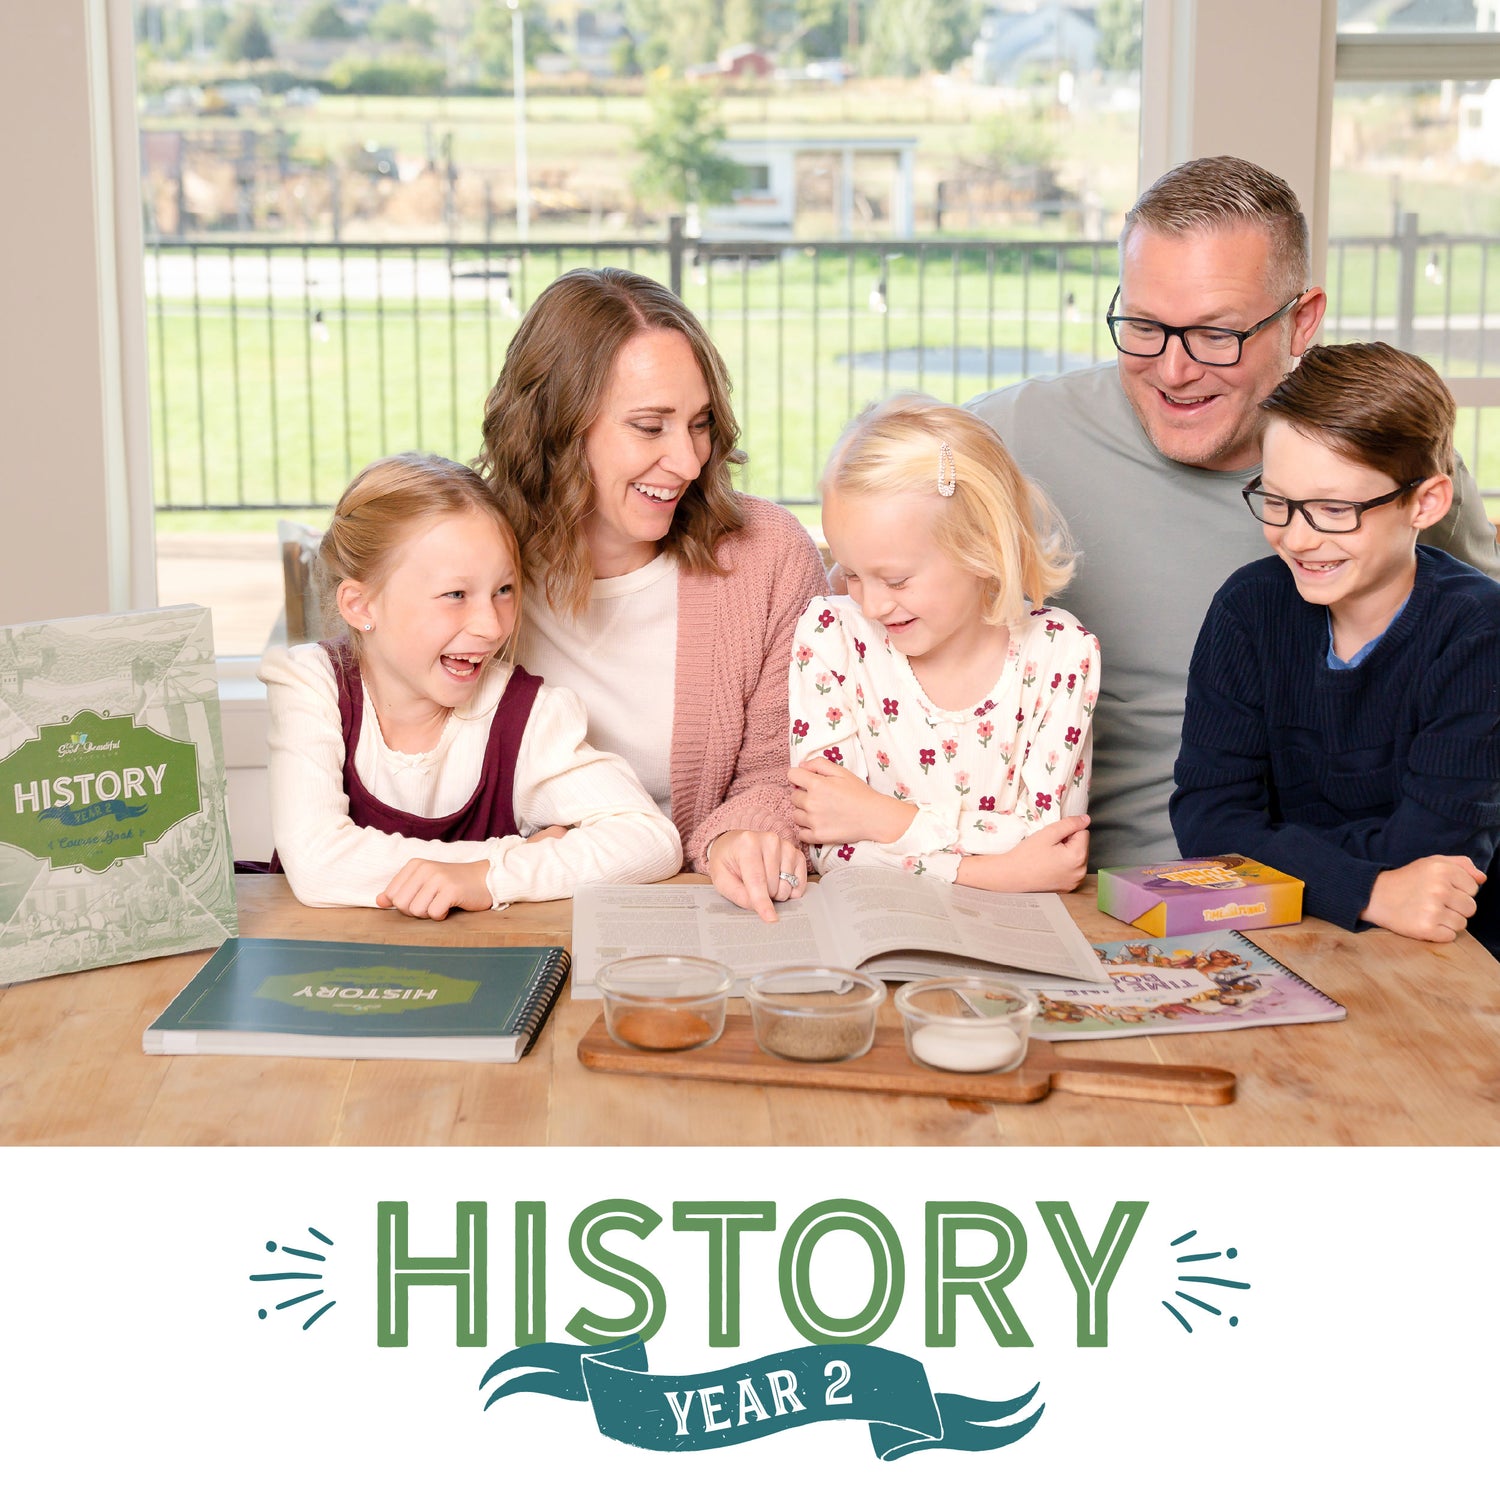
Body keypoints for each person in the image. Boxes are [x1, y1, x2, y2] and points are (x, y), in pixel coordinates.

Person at [968, 155, 1500, 870]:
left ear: (1301, 321)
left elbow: (1474, 693)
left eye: (1217, 334)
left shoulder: (1395, 471)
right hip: (1072, 884)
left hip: (1323, 891)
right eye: (1144, 326)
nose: (1174, 370)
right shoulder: (1003, 439)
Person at [478, 268, 828, 921]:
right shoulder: (469, 563)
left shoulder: (769, 557)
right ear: (555, 427)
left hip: (703, 915)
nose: (689, 462)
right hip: (510, 913)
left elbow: (784, 766)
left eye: (699, 423)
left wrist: (741, 834)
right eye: (648, 426)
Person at [1171, 343, 1500, 954]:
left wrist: (1272, 849)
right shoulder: (1248, 607)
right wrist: (1370, 889)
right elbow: (1206, 824)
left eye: (1333, 508)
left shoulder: (1479, 630)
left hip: (1447, 953)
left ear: (1425, 502)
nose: (1296, 538)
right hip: (1282, 935)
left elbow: (1434, 856)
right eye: (1277, 502)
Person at [259, 452, 682, 917]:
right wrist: (503, 858)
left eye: (504, 590)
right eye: (456, 595)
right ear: (361, 606)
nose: (491, 627)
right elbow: (318, 864)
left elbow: (650, 840)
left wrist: (486, 879)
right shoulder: (311, 684)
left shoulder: (528, 716)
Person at [787, 394, 1098, 890]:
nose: (872, 606)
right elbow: (830, 844)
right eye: (852, 574)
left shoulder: (1061, 654)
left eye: (897, 580)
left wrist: (884, 819)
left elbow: (1049, 845)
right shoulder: (832, 636)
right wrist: (994, 871)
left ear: (983, 548)